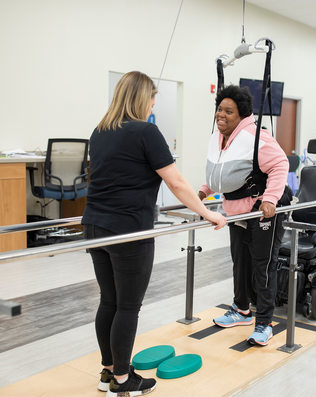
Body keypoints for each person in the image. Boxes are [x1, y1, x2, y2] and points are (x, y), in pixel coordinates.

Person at [82, 71, 226, 396]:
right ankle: (122, 380)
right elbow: (176, 182)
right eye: (151, 99)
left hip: (95, 227)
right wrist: (207, 214)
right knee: (127, 306)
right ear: (142, 99)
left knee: (109, 300)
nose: (151, 106)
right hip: (128, 230)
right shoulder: (147, 131)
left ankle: (108, 372)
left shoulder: (100, 131)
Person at [198, 84, 291, 346]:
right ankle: (241, 310)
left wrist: (270, 199)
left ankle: (264, 323)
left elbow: (280, 164)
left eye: (229, 111)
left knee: (262, 266)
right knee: (240, 261)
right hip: (236, 210)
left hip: (262, 210)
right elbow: (220, 173)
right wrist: (204, 191)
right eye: (219, 109)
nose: (221, 115)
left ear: (242, 115)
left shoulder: (254, 136)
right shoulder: (218, 137)